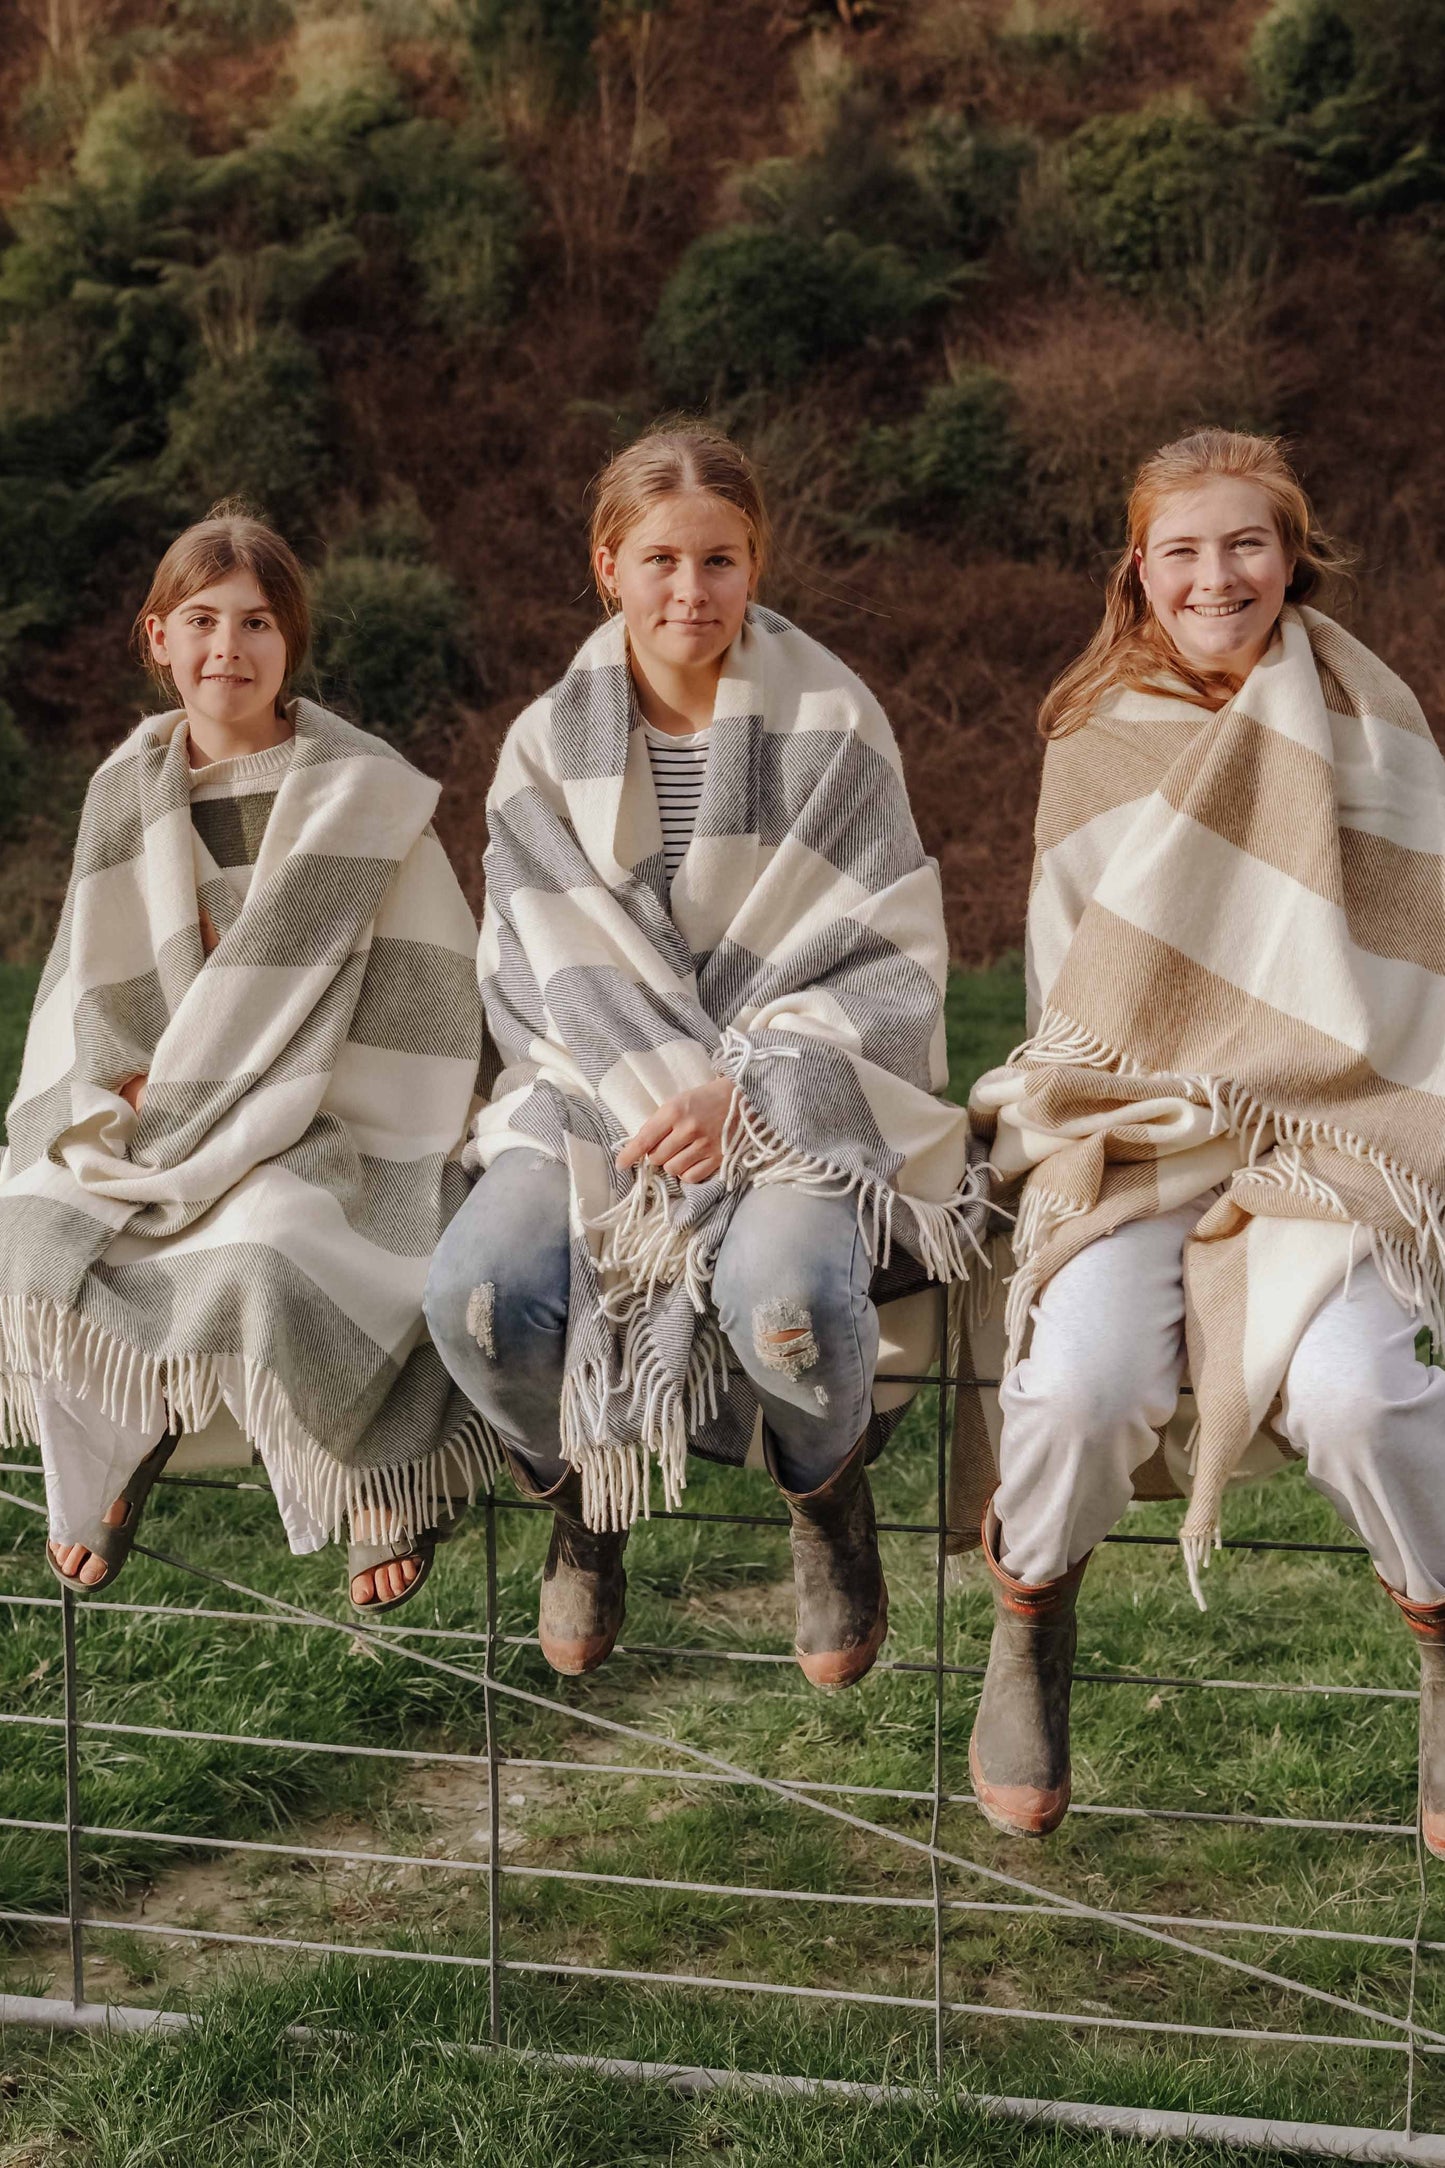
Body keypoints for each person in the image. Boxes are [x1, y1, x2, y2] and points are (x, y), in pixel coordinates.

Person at [424, 423, 985, 1682]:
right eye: (661, 559)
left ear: (755, 561)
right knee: (476, 1297)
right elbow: (528, 966)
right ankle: (587, 1492)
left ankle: (824, 1498)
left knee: (787, 1301)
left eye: (719, 559)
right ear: (607, 565)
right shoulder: (541, 744)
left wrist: (748, 1091)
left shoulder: (834, 719)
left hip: (791, 1091)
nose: (692, 589)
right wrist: (655, 1084)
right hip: (595, 1091)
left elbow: (887, 958)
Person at [964, 428, 1445, 1853]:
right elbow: (1074, 986)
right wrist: (1161, 1089)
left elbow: (1416, 952)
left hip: (1330, 1133)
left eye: (1245, 542)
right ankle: (1030, 1613)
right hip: (1137, 1133)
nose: (1214, 575)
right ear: (1139, 567)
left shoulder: (1376, 722)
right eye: (1180, 549)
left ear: (1290, 554)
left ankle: (1440, 1645)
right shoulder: (1093, 735)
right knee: (1081, 1387)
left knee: (1363, 1395)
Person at [0, 502, 486, 1608]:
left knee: (275, 1244)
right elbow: (92, 978)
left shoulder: (361, 794)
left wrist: (270, 1092)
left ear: (289, 640)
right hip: (154, 1109)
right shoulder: (125, 791)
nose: (229, 646)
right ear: (158, 636)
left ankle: (374, 1475)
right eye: (203, 620)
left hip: (321, 1114)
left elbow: (422, 990)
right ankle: (121, 1432)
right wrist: (123, 1086)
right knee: (30, 1228)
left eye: (257, 621)